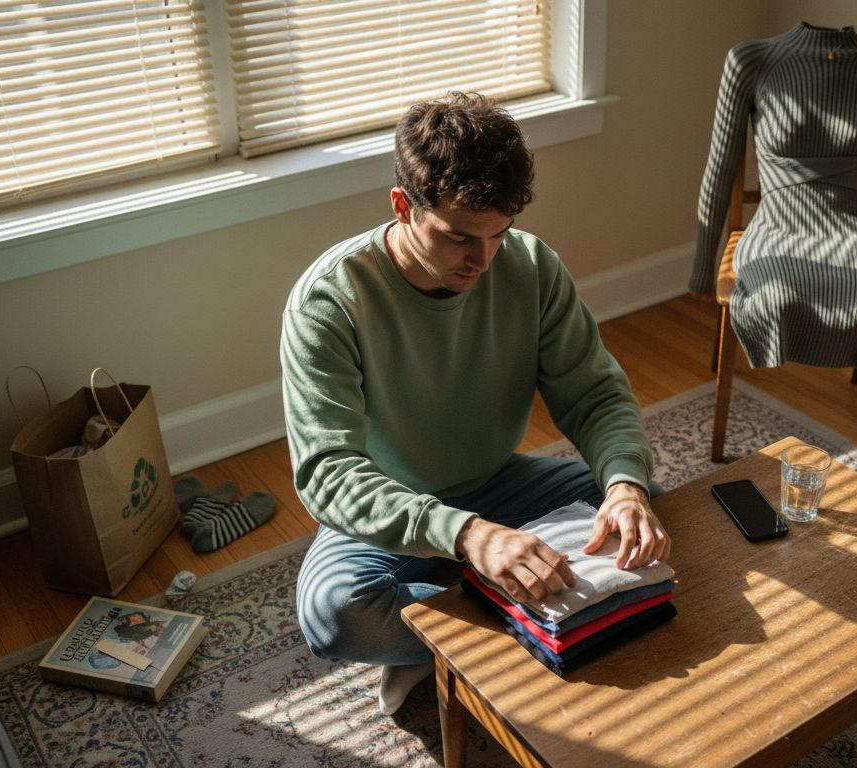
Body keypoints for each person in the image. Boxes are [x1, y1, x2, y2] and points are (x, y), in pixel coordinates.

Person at [280, 92, 671, 715]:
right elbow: (328, 475)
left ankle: (455, 638)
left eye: (500, 234)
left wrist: (626, 485)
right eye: (460, 237)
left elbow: (594, 392)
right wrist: (468, 536)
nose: (483, 261)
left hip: (499, 484)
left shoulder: (531, 266)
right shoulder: (329, 303)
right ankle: (510, 631)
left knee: (639, 509)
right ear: (402, 206)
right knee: (335, 613)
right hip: (393, 506)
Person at [690, 22, 857, 386]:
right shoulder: (751, 60)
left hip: (853, 230)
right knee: (774, 295)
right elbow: (719, 168)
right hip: (775, 227)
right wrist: (703, 269)